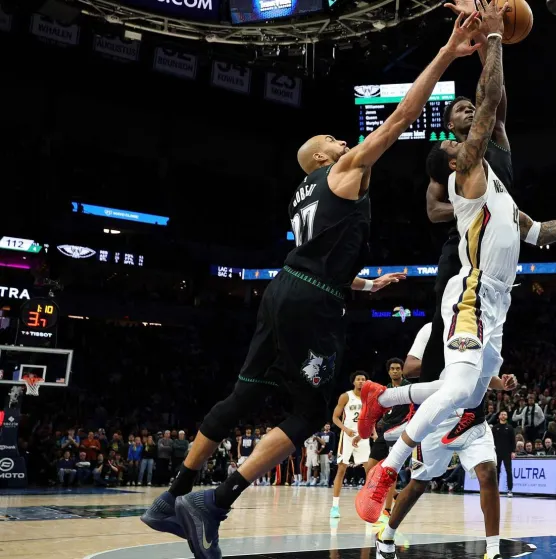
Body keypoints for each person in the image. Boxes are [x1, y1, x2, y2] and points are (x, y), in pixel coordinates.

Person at [140, 14, 483, 558]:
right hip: (311, 301)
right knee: (305, 416)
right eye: (329, 139)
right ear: (322, 158)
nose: (339, 138)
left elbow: (319, 248)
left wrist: (358, 284)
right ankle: (214, 503)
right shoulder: (343, 169)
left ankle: (172, 497)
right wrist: (446, 52)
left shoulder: (307, 193)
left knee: (243, 394)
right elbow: (402, 117)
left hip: (285, 288)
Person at [354, 0, 556, 523]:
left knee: (475, 391)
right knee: (461, 388)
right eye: (461, 141)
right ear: (456, 158)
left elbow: (540, 232)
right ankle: (388, 467)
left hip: (498, 304)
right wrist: (496, 38)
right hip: (472, 292)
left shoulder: (500, 192)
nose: (468, 136)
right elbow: (488, 109)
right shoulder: (468, 178)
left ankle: (382, 396)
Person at [374, 314, 517, 559]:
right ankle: (386, 536)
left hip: (473, 418)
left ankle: (493, 551)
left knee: (488, 473)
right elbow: (409, 367)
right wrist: (453, 364)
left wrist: (502, 385)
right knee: (418, 483)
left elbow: (482, 376)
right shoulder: (431, 330)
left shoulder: (479, 328)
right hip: (437, 419)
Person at [352, 358, 412, 524]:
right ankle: (394, 496)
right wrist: (362, 434)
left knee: (388, 472)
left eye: (397, 368)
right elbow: (375, 413)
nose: (395, 371)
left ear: (402, 370)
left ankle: (386, 510)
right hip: (383, 433)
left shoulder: (408, 388)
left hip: (399, 435)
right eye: (392, 369)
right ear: (388, 372)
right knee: (370, 467)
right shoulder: (385, 390)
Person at [331, 372, 370, 518]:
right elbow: (335, 417)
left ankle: (368, 503)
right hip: (347, 436)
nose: (361, 381)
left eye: (363, 379)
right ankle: (335, 507)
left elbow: (370, 417)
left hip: (363, 436)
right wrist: (345, 429)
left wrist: (372, 431)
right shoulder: (346, 396)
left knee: (369, 471)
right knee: (342, 469)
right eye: (358, 379)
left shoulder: (369, 397)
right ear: (353, 382)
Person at [492, 410, 516, 496]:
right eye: (501, 414)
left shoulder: (510, 428)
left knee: (508, 471)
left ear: (507, 416)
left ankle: (510, 490)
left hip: (507, 453)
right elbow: (492, 441)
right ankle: (495, 490)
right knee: (496, 472)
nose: (503, 415)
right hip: (497, 453)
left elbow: (513, 441)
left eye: (505, 414)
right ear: (499, 416)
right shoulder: (494, 428)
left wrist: (513, 451)